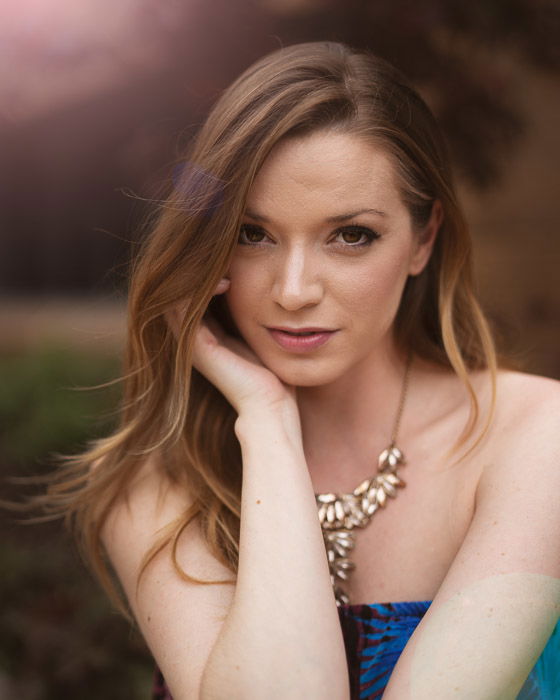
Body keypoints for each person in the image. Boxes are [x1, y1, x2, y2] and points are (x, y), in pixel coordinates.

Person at [46, 41, 560, 698]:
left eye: (350, 235)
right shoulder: (159, 482)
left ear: (424, 238)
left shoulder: (534, 436)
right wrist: (266, 420)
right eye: (253, 233)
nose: (292, 291)